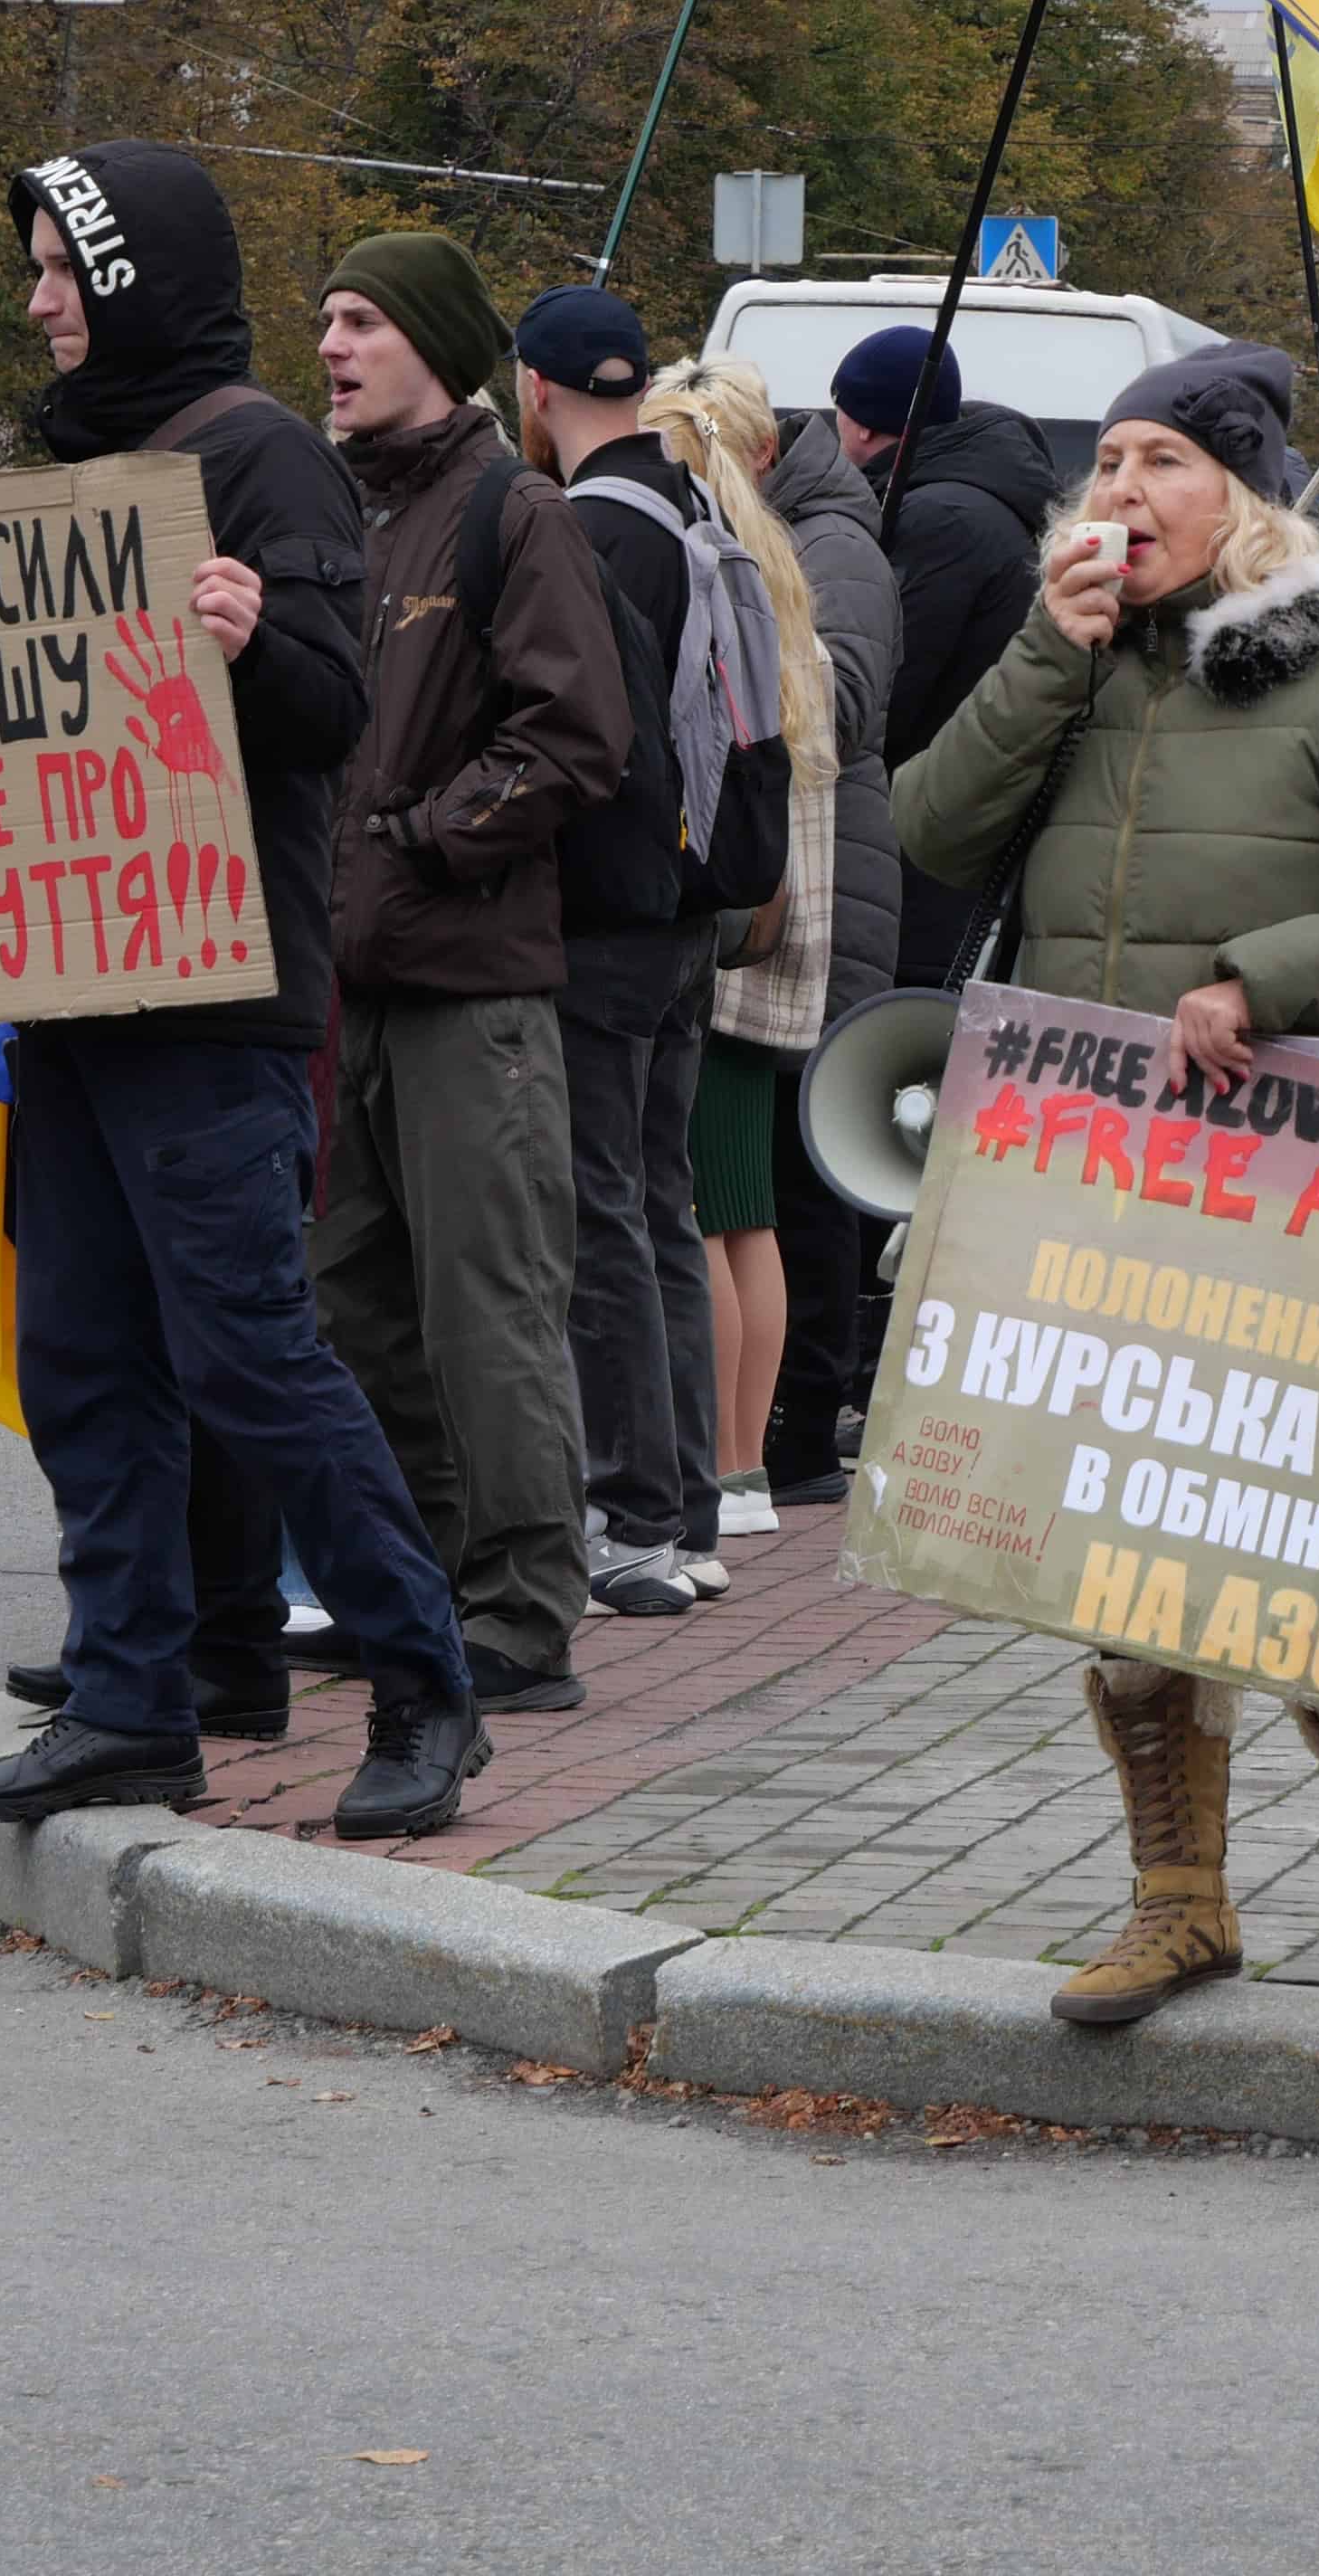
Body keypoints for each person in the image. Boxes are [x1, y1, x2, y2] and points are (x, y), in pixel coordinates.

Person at [889, 340, 1319, 2039]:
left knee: (1312, 1577)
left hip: (1292, 1205)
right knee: (1118, 1574)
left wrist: (1259, 975)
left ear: (1243, 495)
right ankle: (1179, 1905)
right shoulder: (1074, 666)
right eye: (1102, 464)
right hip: (1103, 1190)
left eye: (1158, 459)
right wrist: (1041, 653)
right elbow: (929, 830)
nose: (1118, 493)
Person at [0, 146, 484, 1841]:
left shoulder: (258, 463)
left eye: (58, 271)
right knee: (85, 1355)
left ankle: (420, 1687)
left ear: (134, 277)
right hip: (75, 990)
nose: (35, 302)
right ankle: (128, 1706)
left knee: (250, 1356)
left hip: (215, 998)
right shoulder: (90, 468)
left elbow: (337, 719)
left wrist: (253, 643)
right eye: (30, 270)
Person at [302, 233, 631, 1718]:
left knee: (486, 1309)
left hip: (468, 990)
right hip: (348, 986)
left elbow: (576, 738)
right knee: (354, 1306)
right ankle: (419, 1583)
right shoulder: (348, 517)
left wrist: (425, 840)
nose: (329, 345)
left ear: (431, 342)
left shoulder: (515, 512)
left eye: (359, 321)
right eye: (323, 320)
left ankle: (519, 1608)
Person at [513, 286, 726, 1616]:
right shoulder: (693, 505)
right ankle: (689, 1508)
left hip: (607, 912)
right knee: (661, 1207)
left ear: (531, 391)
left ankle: (634, 1516)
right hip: (696, 904)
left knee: (601, 1214)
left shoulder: (589, 525)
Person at [645, 356, 850, 1547]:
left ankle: (724, 1468)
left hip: (721, 938)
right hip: (781, 931)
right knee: (745, 1212)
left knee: (705, 1211)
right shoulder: (785, 580)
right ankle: (747, 1461)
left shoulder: (712, 577)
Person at [731, 391, 903, 1511]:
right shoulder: (814, 527)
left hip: (830, 875)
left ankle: (800, 1424)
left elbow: (838, 703)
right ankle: (794, 1422)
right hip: (816, 872)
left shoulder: (828, 543)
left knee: (809, 1158)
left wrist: (730, 662)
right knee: (792, 1162)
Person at [846, 326, 1058, 974]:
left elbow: (891, 692)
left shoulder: (938, 519)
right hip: (962, 827)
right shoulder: (979, 496)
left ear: (859, 424)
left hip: (920, 840)